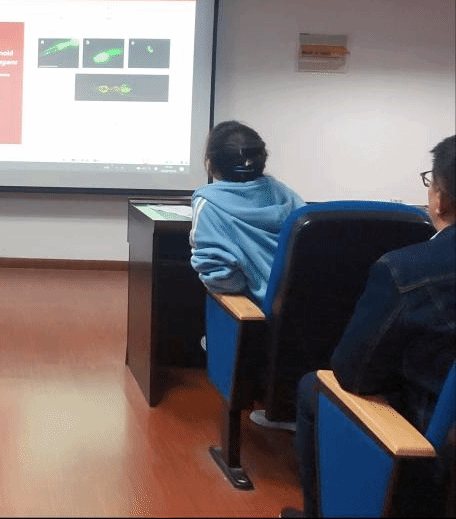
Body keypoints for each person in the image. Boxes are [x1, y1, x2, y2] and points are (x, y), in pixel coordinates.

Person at [290, 135, 456, 518]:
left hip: (433, 443)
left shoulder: (406, 269)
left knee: (315, 388)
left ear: (440, 199)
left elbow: (352, 374)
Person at [189, 120, 305, 306]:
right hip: (309, 305)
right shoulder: (286, 194)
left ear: (211, 163)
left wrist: (248, 292)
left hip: (256, 313)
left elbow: (221, 279)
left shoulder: (208, 203)